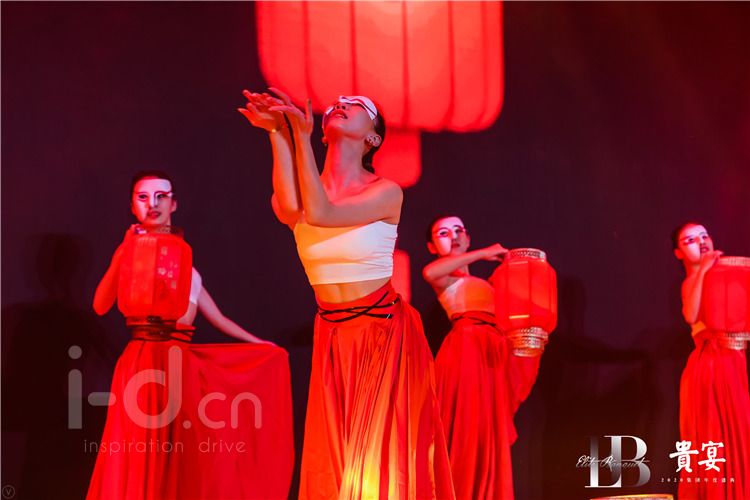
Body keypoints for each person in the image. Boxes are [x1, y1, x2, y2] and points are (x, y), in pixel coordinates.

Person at [239, 91, 454, 499]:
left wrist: (300, 138)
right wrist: (277, 133)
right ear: (324, 133)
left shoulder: (386, 191)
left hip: (383, 335)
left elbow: (323, 214)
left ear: (373, 138)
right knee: (335, 465)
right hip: (334, 338)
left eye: (356, 105)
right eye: (337, 103)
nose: (341, 104)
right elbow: (291, 207)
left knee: (377, 469)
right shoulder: (304, 192)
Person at [87, 171, 293, 500]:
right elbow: (100, 306)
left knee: (185, 451)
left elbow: (219, 318)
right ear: (132, 206)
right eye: (143, 197)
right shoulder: (128, 256)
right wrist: (122, 252)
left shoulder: (185, 264)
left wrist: (260, 345)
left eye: (161, 196)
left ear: (173, 204)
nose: (152, 204)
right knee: (140, 450)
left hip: (179, 368)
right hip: (143, 362)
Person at [423, 215, 541, 500]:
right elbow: (429, 272)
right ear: (432, 246)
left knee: (486, 431)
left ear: (468, 237)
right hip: (466, 350)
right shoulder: (446, 278)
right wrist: (485, 253)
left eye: (459, 230)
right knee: (466, 428)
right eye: (443, 233)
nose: (454, 236)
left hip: (491, 354)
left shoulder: (485, 284)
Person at [672, 222, 750, 500]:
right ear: (679, 253)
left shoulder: (729, 276)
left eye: (704, 235)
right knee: (714, 434)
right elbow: (691, 315)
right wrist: (704, 269)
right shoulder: (692, 281)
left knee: (738, 435)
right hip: (711, 366)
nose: (701, 241)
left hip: (733, 362)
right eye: (690, 240)